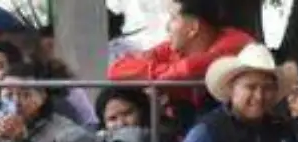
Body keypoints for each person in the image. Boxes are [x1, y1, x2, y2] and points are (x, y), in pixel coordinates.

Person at [108, 0, 253, 126]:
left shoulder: (235, 42)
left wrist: (155, 75)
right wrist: (165, 72)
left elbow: (190, 69)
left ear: (193, 28)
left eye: (173, 18)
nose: (167, 27)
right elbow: (117, 70)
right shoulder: (173, 48)